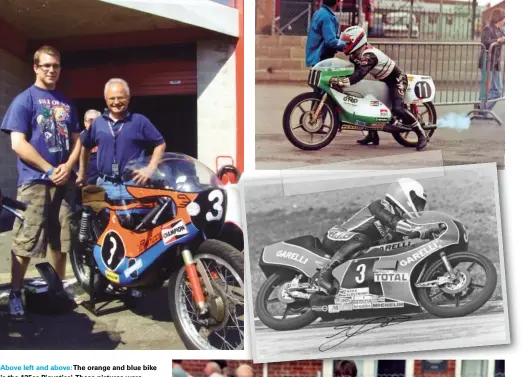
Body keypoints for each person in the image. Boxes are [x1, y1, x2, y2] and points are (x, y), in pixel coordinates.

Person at [0, 45, 81, 319]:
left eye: (55, 65)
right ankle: (15, 293)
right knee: (25, 239)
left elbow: (77, 139)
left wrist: (69, 167)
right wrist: (48, 169)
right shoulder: (24, 100)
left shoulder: (67, 103)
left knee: (61, 240)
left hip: (63, 182)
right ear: (36, 67)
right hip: (35, 182)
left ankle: (57, 290)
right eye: (46, 65)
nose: (51, 70)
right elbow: (17, 143)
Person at [313, 177, 440, 294]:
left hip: (354, 246)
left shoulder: (395, 231)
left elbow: (401, 252)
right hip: (335, 236)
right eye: (417, 203)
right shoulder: (380, 206)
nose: (418, 209)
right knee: (362, 239)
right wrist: (417, 229)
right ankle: (325, 271)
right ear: (405, 196)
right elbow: (393, 222)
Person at [330, 25, 428, 150]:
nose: (345, 44)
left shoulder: (369, 55)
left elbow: (359, 74)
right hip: (384, 81)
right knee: (368, 104)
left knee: (398, 109)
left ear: (357, 41)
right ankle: (372, 135)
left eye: (348, 42)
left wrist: (342, 82)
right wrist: (335, 77)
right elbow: (352, 72)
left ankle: (421, 133)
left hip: (397, 79)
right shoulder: (355, 55)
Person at [76, 78, 166, 204]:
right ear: (106, 99)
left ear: (128, 98)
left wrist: (150, 168)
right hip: (103, 184)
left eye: (120, 98)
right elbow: (85, 147)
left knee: (134, 222)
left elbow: (160, 143)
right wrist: (82, 173)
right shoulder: (98, 123)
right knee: (101, 222)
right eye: (112, 98)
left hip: (132, 184)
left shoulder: (139, 121)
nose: (116, 102)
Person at [476, 8, 505, 113]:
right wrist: (498, 40)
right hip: (486, 61)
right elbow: (485, 43)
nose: (505, 20)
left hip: (495, 63)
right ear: (500, 18)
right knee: (486, 86)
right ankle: (481, 109)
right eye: (504, 18)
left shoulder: (500, 30)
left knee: (498, 89)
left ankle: (482, 108)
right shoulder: (488, 28)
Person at [306, 0, 346, 67]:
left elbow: (329, 36)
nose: (342, 2)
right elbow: (331, 41)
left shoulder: (319, 13)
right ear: (337, 2)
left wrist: (343, 40)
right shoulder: (327, 16)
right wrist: (347, 46)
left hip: (316, 57)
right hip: (322, 57)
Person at [82, 109, 101, 184]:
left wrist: (115, 173)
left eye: (97, 121)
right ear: (85, 122)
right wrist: (79, 174)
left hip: (105, 179)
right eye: (90, 120)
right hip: (87, 180)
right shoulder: (79, 138)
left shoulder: (105, 137)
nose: (93, 123)